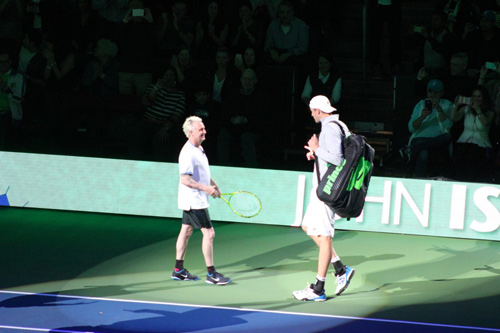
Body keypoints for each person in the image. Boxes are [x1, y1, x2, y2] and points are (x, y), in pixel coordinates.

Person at [292, 95, 354, 302]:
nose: (311, 114)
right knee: (308, 226)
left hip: (327, 189)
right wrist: (317, 154)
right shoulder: (337, 125)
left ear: (318, 110)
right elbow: (333, 155)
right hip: (321, 186)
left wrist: (317, 148)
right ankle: (340, 269)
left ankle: (318, 288)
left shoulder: (330, 128)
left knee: (324, 236)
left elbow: (337, 159)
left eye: (312, 111)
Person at [173, 115, 231, 285]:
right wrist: (206, 189)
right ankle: (211, 274)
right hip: (194, 200)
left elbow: (203, 173)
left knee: (186, 231)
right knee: (209, 233)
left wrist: (214, 185)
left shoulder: (199, 148)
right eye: (201, 130)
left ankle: (178, 270)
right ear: (191, 132)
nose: (205, 132)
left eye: (204, 128)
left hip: (195, 198)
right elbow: (185, 179)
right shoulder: (187, 153)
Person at [129, 66, 186, 162]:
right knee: (136, 136)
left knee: (161, 140)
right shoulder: (154, 87)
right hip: (148, 120)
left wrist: (165, 127)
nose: (169, 77)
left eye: (171, 75)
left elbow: (177, 114)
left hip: (163, 124)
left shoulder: (180, 94)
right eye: (166, 75)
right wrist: (156, 88)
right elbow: (146, 103)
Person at [400, 79, 455, 177]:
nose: (432, 95)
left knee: (447, 136)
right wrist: (422, 117)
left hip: (439, 139)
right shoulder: (421, 104)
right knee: (423, 153)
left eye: (436, 92)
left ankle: (411, 150)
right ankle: (419, 182)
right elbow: (411, 128)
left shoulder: (448, 105)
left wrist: (439, 109)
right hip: (420, 138)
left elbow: (449, 125)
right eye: (430, 91)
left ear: (441, 93)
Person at [217, 68, 266, 167]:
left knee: (247, 138)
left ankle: (252, 169)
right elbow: (225, 112)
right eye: (245, 79)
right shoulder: (232, 93)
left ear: (255, 80)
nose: (247, 82)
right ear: (241, 79)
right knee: (223, 135)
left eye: (250, 79)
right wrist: (232, 119)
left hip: (251, 129)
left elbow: (261, 118)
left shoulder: (261, 96)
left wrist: (245, 120)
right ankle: (222, 167)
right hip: (233, 126)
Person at [450, 86, 495, 182]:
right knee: (462, 152)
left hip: (481, 145)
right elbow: (454, 118)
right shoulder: (466, 109)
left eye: (479, 96)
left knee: (472, 154)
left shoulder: (489, 112)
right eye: (474, 96)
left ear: (484, 98)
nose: (476, 99)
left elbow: (485, 123)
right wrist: (456, 105)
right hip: (463, 143)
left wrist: (478, 110)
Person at [263, 1, 309, 66]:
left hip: (294, 58)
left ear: (292, 12)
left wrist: (289, 54)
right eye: (282, 12)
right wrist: (272, 51)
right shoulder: (273, 25)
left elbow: (303, 48)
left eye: (288, 12)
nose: (285, 15)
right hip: (276, 56)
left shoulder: (301, 25)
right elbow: (267, 45)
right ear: (278, 13)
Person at [0, 52, 25, 149]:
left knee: (5, 144)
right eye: (0, 62)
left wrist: (5, 88)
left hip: (8, 114)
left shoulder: (17, 76)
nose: (2, 64)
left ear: (10, 62)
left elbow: (19, 98)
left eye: (4, 62)